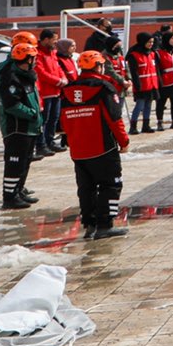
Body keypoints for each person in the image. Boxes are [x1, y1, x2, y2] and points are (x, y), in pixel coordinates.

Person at [58, 51, 131, 240]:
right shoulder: (104, 88)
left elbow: (62, 122)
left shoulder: (68, 89)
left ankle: (89, 224)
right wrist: (124, 141)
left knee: (86, 187)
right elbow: (114, 119)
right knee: (111, 185)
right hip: (102, 146)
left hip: (78, 149)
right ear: (99, 66)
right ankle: (105, 225)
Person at [0, 40, 42, 209]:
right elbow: (12, 105)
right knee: (15, 163)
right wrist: (32, 114)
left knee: (25, 162)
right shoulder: (11, 78)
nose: (36, 60)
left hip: (29, 127)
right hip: (18, 129)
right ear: (26, 59)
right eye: (33, 58)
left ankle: (17, 191)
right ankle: (9, 197)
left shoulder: (26, 76)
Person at [33, 29, 67, 154]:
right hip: (45, 93)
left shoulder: (52, 52)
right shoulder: (37, 53)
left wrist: (63, 78)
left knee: (54, 118)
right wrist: (58, 81)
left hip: (56, 91)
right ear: (46, 39)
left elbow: (58, 67)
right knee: (44, 120)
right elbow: (41, 73)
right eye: (54, 39)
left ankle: (50, 142)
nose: (56, 42)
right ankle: (41, 145)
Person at [125, 31, 162, 133]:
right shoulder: (134, 55)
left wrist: (159, 83)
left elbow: (156, 70)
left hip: (152, 84)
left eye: (152, 42)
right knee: (139, 106)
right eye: (149, 42)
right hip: (141, 86)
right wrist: (137, 85)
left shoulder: (153, 54)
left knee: (148, 106)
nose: (151, 44)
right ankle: (133, 126)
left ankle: (146, 125)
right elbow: (134, 72)